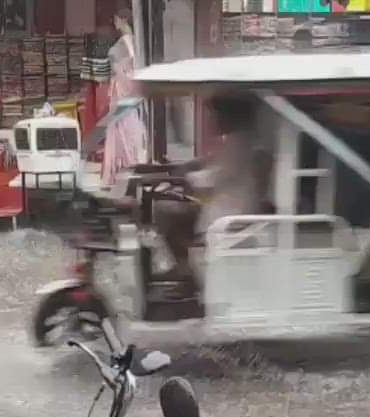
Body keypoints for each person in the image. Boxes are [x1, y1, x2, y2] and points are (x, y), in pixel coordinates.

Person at [152, 94, 273, 294]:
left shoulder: (239, 142)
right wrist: (189, 166)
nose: (211, 121)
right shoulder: (238, 140)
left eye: (213, 115)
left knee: (167, 214)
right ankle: (188, 272)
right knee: (171, 211)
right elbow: (211, 161)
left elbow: (217, 176)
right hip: (226, 206)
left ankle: (189, 273)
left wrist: (186, 178)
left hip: (230, 214)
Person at [101, 8, 148, 187]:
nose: (114, 22)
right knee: (129, 128)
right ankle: (130, 164)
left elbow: (122, 70)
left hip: (122, 90)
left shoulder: (123, 45)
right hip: (129, 89)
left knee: (123, 129)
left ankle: (125, 166)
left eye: (116, 19)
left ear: (123, 20)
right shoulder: (137, 43)